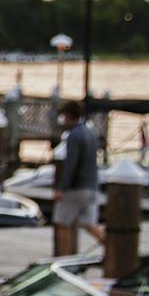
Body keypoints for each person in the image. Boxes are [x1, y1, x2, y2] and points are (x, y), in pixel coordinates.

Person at [52, 99, 105, 255]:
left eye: (64, 116)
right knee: (89, 224)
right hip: (92, 186)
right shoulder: (90, 134)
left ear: (68, 115)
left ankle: (65, 260)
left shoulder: (73, 136)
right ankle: (114, 246)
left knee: (62, 224)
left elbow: (71, 165)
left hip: (75, 189)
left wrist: (61, 188)